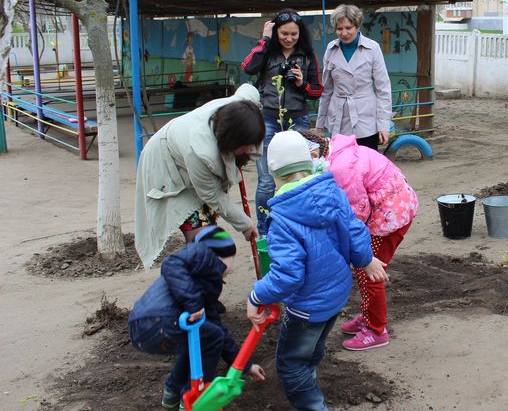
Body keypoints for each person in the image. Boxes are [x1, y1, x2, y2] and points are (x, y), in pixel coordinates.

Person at [246, 130, 388, 411]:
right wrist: (366, 259)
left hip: (307, 307)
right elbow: (355, 229)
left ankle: (314, 406)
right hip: (336, 295)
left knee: (289, 365)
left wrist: (256, 296)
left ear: (273, 171)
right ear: (309, 162)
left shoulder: (282, 217)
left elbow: (289, 275)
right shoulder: (332, 191)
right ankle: (309, 374)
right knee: (312, 348)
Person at [300, 131, 416, 351]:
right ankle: (368, 314)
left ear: (314, 153)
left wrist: (353, 248)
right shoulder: (337, 152)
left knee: (369, 269)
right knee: (365, 268)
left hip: (389, 216)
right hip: (388, 207)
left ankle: (376, 329)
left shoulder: (342, 168)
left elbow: (356, 213)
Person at [128, 226, 265, 409]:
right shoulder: (204, 255)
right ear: (223, 254)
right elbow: (171, 263)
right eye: (232, 259)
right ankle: (197, 396)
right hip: (161, 320)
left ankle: (173, 393)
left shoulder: (202, 278)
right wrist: (193, 303)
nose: (231, 270)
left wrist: (245, 366)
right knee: (211, 337)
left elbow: (218, 328)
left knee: (201, 338)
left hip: (143, 327)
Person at [134, 84, 265, 269]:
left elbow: (248, 89)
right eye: (246, 145)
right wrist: (244, 223)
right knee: (207, 244)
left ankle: (201, 280)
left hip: (193, 169)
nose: (251, 150)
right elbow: (212, 196)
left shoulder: (242, 109)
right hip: (168, 172)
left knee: (209, 237)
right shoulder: (200, 152)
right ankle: (193, 286)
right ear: (231, 140)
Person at [242, 9, 323, 234]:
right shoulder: (267, 51)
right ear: (276, 31)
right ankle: (265, 232)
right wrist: (265, 39)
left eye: (294, 34)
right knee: (267, 180)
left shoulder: (307, 55)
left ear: (300, 34)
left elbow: (317, 91)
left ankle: (299, 226)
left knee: (302, 175)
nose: (289, 38)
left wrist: (302, 84)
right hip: (267, 119)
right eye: (283, 33)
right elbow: (248, 67)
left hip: (298, 120)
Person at [316, 4, 392, 151]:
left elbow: (383, 89)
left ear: (357, 26)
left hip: (366, 119)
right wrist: (320, 125)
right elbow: (327, 91)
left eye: (348, 28)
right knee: (341, 166)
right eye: (339, 29)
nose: (344, 33)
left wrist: (384, 125)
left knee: (366, 165)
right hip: (339, 119)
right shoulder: (331, 50)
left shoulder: (372, 49)